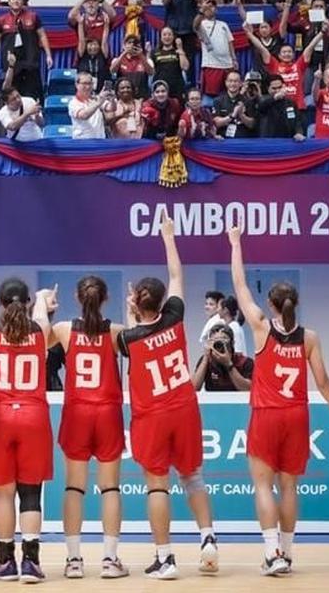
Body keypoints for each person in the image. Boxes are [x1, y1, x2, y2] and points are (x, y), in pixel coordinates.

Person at [226, 226, 329, 574]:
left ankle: (272, 553)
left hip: (267, 414)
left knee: (263, 486)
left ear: (271, 304)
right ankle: (288, 553)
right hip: (296, 416)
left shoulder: (261, 327)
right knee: (289, 486)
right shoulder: (309, 337)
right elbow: (323, 383)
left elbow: (239, 285)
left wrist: (236, 243)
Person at [119, 217, 219, 579]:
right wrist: (168, 237)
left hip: (153, 415)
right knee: (193, 477)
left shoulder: (128, 338)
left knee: (157, 485)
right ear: (162, 300)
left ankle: (166, 558)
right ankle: (208, 539)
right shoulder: (175, 316)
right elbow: (177, 274)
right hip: (184, 407)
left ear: (135, 302)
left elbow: (132, 332)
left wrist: (130, 310)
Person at [0, 278, 56, 583]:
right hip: (34, 416)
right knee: (31, 493)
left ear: (1, 303)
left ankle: (5, 561)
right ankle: (31, 561)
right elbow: (41, 313)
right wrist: (42, 299)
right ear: (26, 302)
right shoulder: (40, 329)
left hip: (0, 416)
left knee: (3, 495)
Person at [46, 276, 129, 580]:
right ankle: (110, 559)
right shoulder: (115, 331)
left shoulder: (64, 329)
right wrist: (133, 310)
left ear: (77, 298)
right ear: (105, 299)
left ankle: (73, 560)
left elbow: (37, 338)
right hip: (107, 411)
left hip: (77, 411)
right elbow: (139, 341)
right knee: (110, 487)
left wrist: (46, 308)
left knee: (74, 487)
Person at [0, 0, 51, 101]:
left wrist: (48, 55)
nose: (16, 1)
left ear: (23, 1)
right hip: (11, 62)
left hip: (30, 59)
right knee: (12, 93)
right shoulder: (2, 19)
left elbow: (42, 35)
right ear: (9, 2)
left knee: (32, 92)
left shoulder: (33, 16)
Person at [193, 0, 236, 100]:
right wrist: (202, 10)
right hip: (212, 65)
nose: (209, 8)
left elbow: (230, 42)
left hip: (227, 65)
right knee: (211, 96)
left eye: (212, 6)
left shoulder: (223, 24)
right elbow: (195, 25)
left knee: (230, 93)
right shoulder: (202, 24)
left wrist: (234, 59)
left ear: (216, 9)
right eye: (207, 6)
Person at [192, 323, 251, 391]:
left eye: (223, 339)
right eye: (215, 340)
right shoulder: (206, 360)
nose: (219, 343)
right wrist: (205, 358)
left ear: (232, 343)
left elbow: (248, 389)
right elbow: (194, 388)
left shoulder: (245, 362)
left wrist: (229, 365)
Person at [254, 75, 305, 139]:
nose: (277, 91)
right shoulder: (263, 100)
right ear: (268, 89)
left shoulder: (290, 103)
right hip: (269, 140)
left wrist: (299, 132)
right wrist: (275, 98)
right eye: (274, 88)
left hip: (287, 139)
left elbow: (297, 121)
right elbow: (261, 107)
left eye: (280, 87)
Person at [68, 72, 112, 139]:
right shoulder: (73, 102)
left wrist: (112, 99)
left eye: (90, 83)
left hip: (100, 140)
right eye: (84, 83)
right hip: (82, 141)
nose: (88, 87)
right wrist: (98, 102)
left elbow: (111, 108)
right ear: (77, 84)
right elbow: (84, 116)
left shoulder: (96, 98)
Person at [110, 35, 153, 99]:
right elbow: (112, 71)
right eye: (129, 42)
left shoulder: (146, 60)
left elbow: (151, 72)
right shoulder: (117, 60)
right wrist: (124, 53)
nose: (132, 45)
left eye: (135, 43)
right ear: (123, 46)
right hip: (123, 96)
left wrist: (141, 55)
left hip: (141, 97)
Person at [213, 70, 253, 137]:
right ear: (226, 82)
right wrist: (232, 115)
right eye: (230, 81)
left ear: (241, 83)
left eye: (236, 81)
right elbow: (216, 123)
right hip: (224, 139)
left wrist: (241, 115)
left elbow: (252, 125)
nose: (233, 84)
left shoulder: (248, 101)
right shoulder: (218, 100)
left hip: (243, 139)